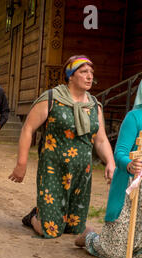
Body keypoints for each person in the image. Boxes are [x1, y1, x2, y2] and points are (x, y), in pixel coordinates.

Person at [9, 55, 115, 239]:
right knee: (49, 231)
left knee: (74, 229)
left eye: (91, 72)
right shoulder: (51, 98)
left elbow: (101, 139)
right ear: (70, 76)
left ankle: (50, 213)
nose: (89, 76)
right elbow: (28, 129)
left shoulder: (94, 106)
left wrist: (110, 163)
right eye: (83, 72)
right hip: (53, 169)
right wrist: (21, 163)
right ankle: (35, 217)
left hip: (83, 172)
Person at [75, 80, 142, 258]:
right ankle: (89, 236)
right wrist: (130, 165)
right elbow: (120, 152)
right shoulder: (134, 117)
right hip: (131, 188)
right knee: (112, 252)